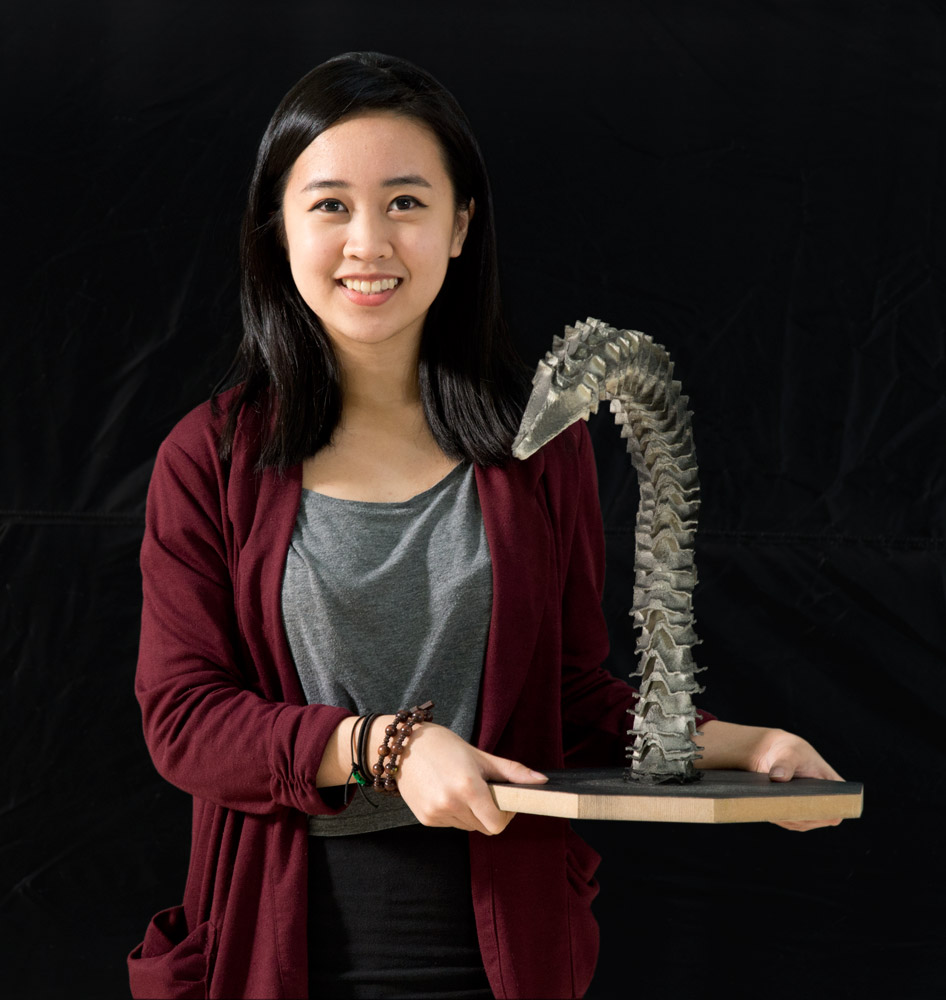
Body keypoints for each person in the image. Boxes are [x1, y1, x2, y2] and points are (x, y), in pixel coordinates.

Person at [128, 51, 843, 1000]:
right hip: (279, 942)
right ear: (279, 226)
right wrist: (386, 747)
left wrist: (744, 746)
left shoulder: (539, 447)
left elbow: (568, 698)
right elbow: (185, 720)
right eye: (331, 205)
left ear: (461, 224)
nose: (368, 242)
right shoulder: (210, 458)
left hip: (505, 948)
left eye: (406, 202)